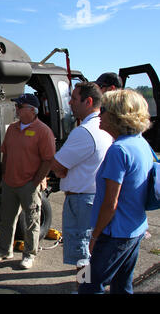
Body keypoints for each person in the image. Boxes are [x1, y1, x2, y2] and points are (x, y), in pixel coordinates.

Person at [79, 90, 152, 294]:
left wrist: (94, 236)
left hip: (115, 234)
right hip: (135, 230)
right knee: (122, 286)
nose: (99, 115)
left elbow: (111, 204)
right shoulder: (140, 142)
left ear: (116, 116)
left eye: (103, 110)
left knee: (87, 285)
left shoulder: (118, 151)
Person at [51, 82, 113, 284]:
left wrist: (62, 169)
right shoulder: (105, 126)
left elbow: (57, 165)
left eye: (74, 99)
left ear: (88, 101)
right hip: (96, 197)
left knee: (83, 254)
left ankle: (84, 287)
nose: (69, 103)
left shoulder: (83, 131)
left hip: (81, 201)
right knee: (91, 250)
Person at [0, 93, 56, 269]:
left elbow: (48, 159)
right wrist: (4, 176)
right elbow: (6, 153)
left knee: (32, 221)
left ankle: (29, 255)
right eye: (16, 106)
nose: (16, 109)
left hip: (29, 185)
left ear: (32, 110)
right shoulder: (12, 128)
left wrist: (36, 181)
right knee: (6, 220)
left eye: (19, 106)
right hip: (10, 183)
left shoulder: (43, 131)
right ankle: (5, 250)